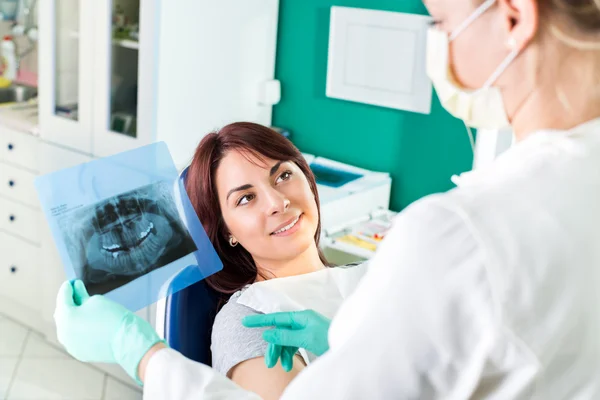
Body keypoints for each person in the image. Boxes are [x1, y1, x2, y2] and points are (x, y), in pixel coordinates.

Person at [53, 0, 600, 398]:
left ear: (514, 19)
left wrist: (142, 354)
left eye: (443, 23)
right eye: (243, 198)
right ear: (222, 230)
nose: (277, 202)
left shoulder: (449, 239)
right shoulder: (250, 322)